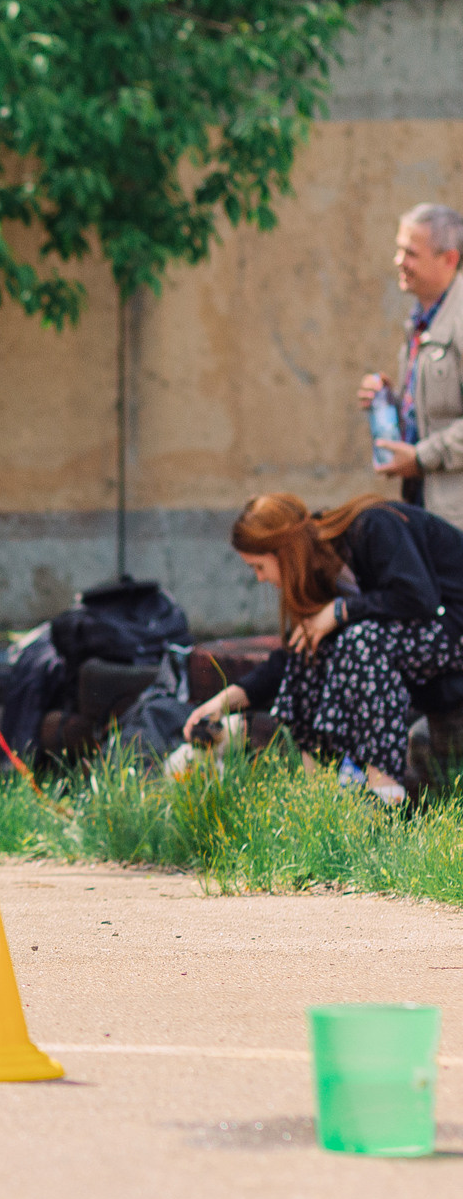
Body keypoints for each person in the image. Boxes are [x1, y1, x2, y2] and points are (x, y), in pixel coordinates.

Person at [185, 493, 463, 805]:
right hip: (429, 640)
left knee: (361, 640)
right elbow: (292, 653)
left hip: (455, 625)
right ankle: (318, 794)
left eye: (259, 566)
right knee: (312, 648)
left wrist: (341, 610)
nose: (260, 578)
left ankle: (385, 794)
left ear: (283, 551)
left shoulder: (372, 526)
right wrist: (223, 702)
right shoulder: (320, 571)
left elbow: (418, 597)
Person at [359, 203, 463, 524]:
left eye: (411, 253)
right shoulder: (421, 320)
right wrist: (390, 403)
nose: (398, 261)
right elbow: (437, 415)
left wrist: (420, 458)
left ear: (449, 259)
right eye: (399, 250)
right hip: (428, 511)